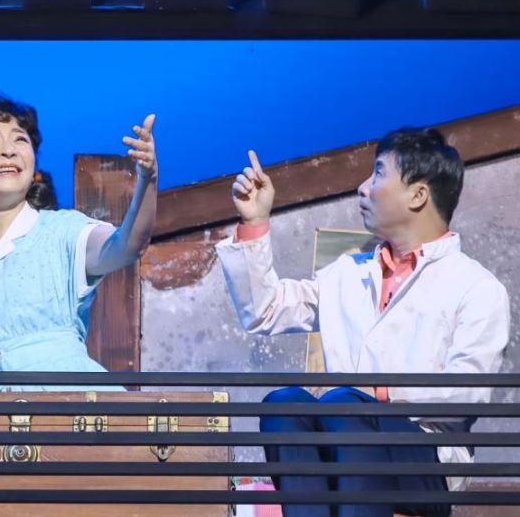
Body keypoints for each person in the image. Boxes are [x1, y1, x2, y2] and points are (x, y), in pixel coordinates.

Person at [215, 129, 510, 517]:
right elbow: (265, 308)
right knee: (284, 405)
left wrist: (380, 393)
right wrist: (255, 222)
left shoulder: (476, 287)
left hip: (425, 460)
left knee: (345, 403)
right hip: (343, 436)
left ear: (418, 195)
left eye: (378, 174)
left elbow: (468, 392)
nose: (362, 187)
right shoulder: (348, 273)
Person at [0, 92, 156, 391]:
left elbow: (127, 245)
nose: (8, 150)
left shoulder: (63, 231)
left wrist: (148, 178)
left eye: (20, 139)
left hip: (76, 409)